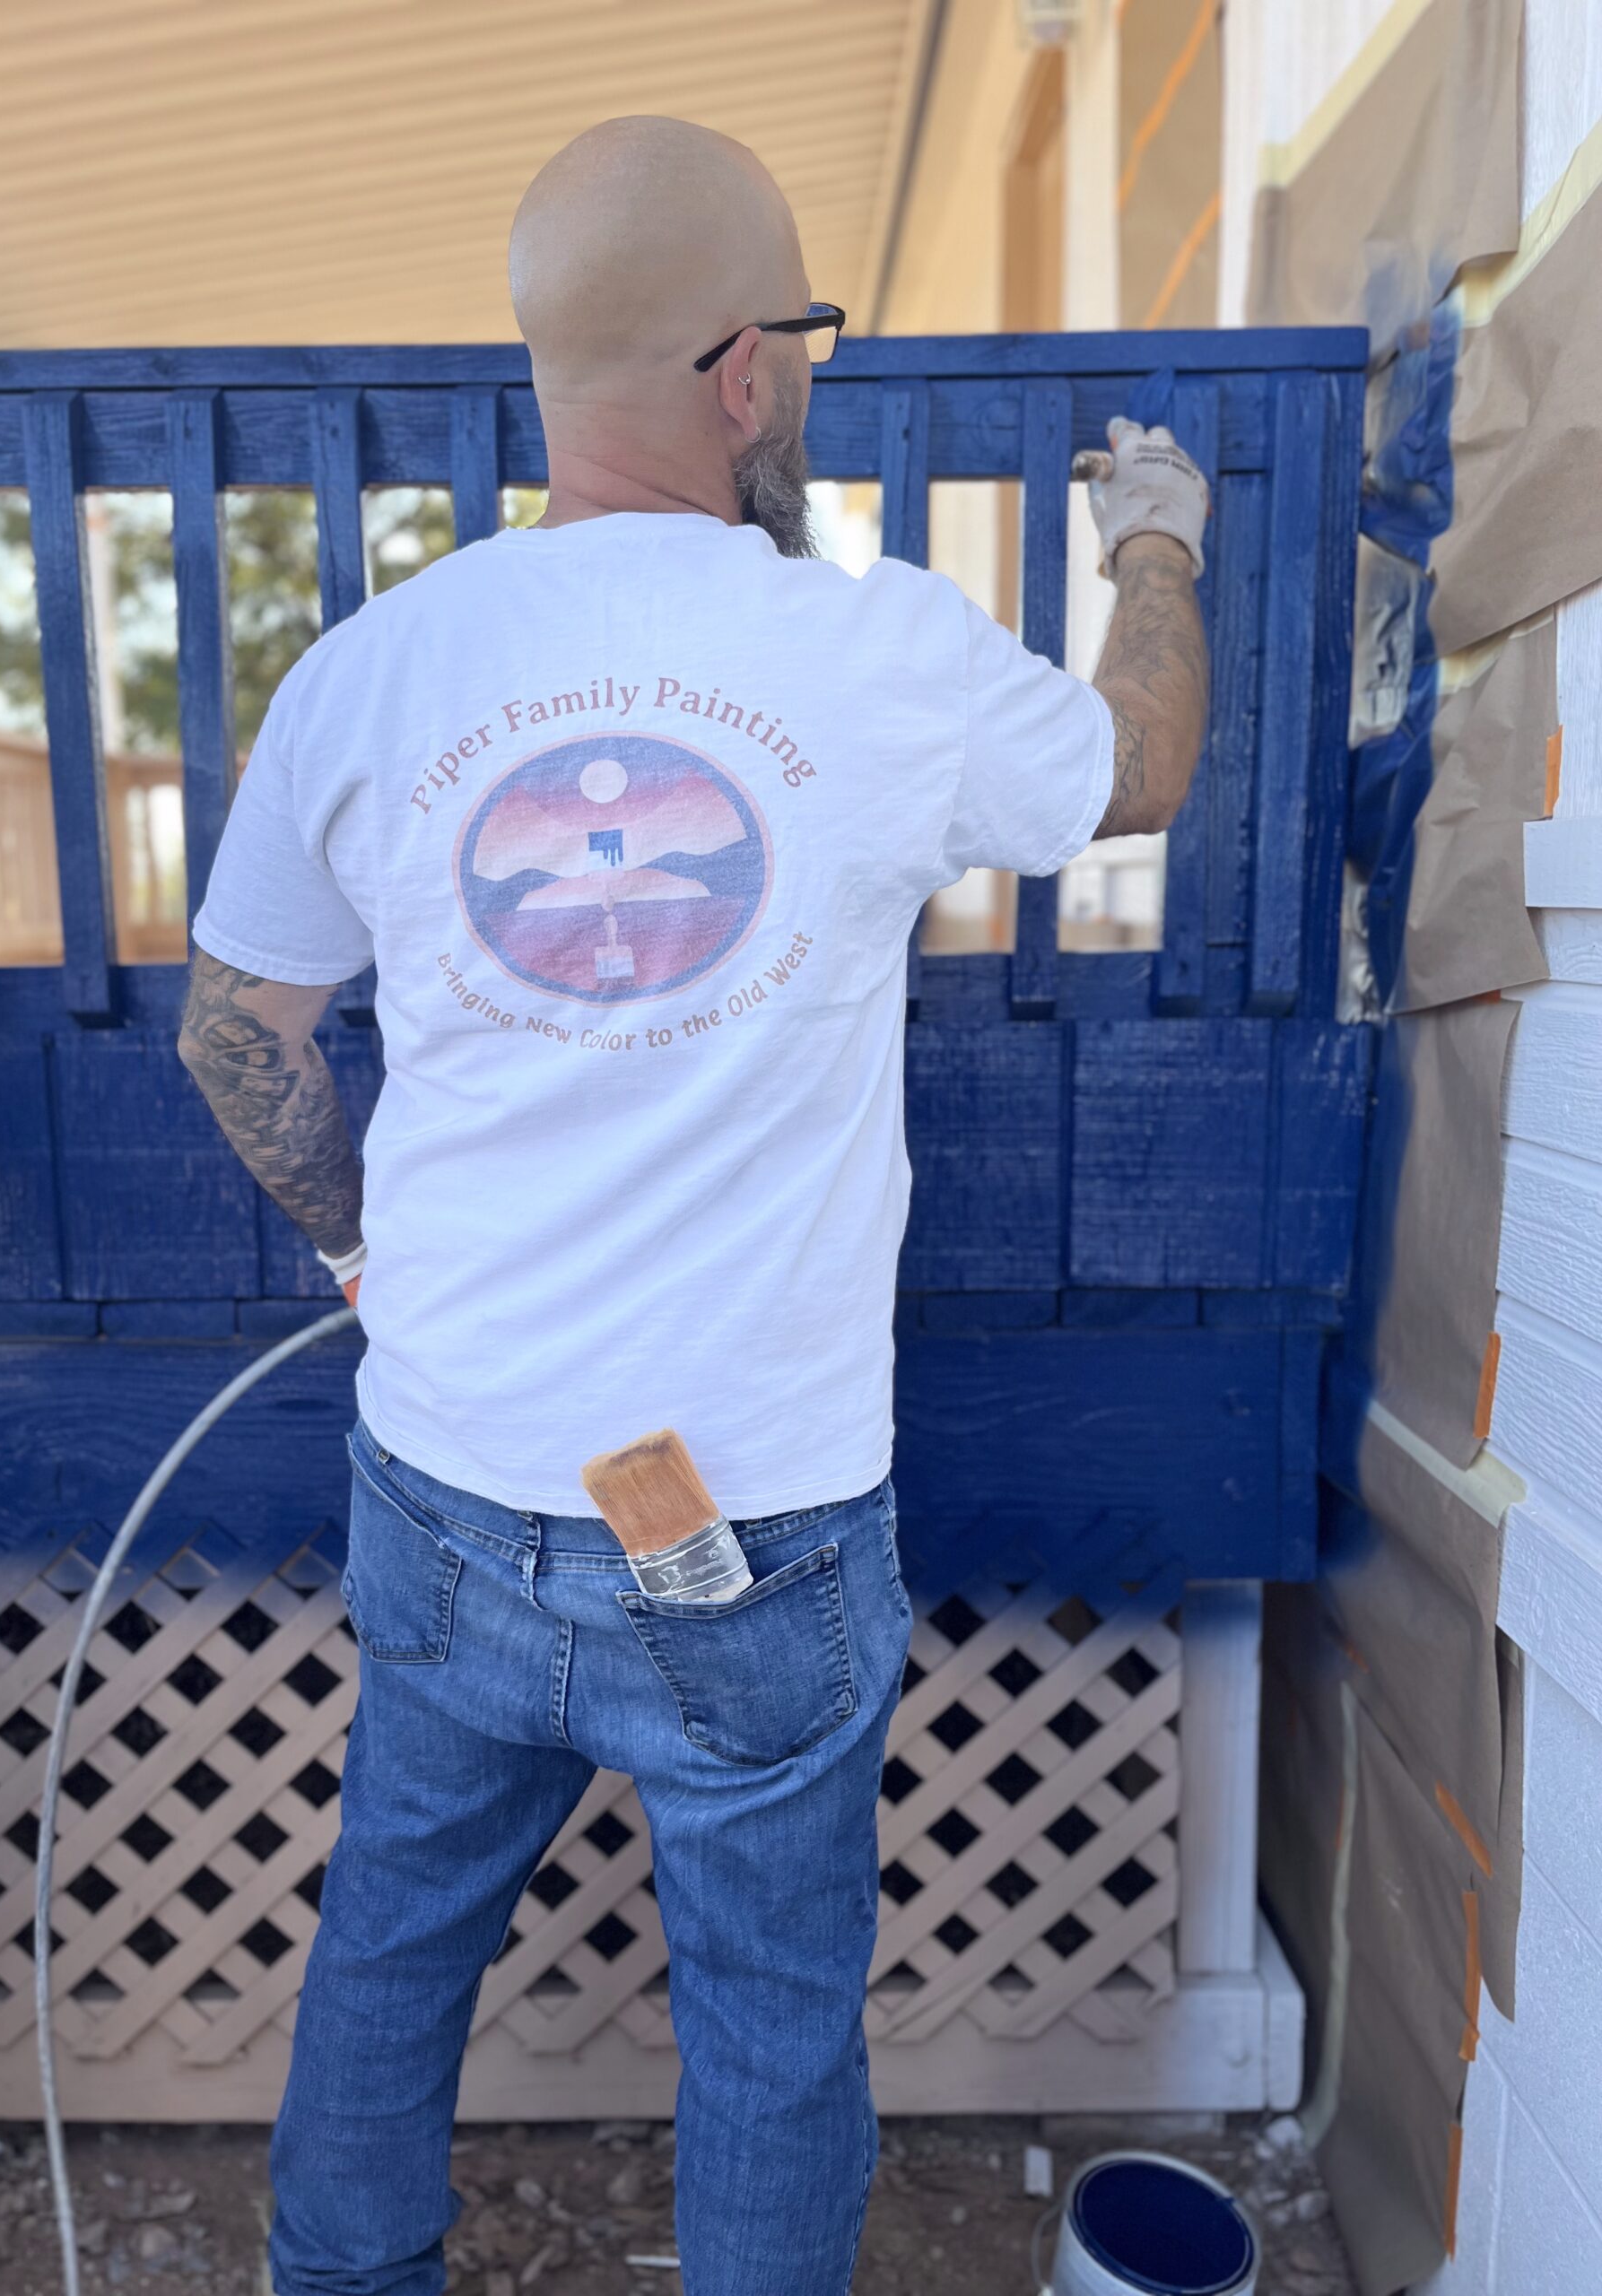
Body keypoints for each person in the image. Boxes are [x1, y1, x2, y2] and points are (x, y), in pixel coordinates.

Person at [180, 114, 1209, 2296]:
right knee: (766, 2026)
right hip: (761, 1523)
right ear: (747, 372)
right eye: (807, 345)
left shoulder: (371, 674)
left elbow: (236, 1036)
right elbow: (1139, 765)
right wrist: (1159, 546)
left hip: (452, 1475)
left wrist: (365, 1256)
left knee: (385, 1953)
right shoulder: (882, 655)